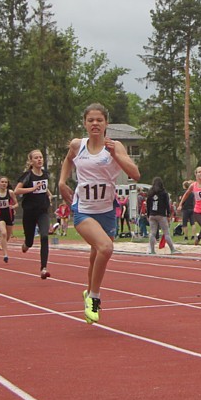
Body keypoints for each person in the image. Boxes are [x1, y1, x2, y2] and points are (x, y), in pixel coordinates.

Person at [59, 103, 140, 324]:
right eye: (90, 120)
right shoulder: (78, 145)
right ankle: (94, 297)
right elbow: (68, 160)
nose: (95, 124)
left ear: (106, 124)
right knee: (106, 247)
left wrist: (116, 155)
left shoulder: (115, 147)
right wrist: (61, 181)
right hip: (83, 210)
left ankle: (88, 291)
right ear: (85, 123)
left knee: (96, 255)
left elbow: (135, 174)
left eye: (99, 120)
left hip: (106, 211)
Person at [14, 149, 54, 279]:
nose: (39, 160)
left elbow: (44, 185)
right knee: (30, 242)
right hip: (30, 212)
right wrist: (32, 189)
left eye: (41, 157)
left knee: (44, 236)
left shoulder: (45, 174)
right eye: (36, 158)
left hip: (42, 211)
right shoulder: (27, 175)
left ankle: (43, 268)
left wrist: (48, 194)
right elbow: (16, 190)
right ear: (31, 161)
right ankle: (26, 245)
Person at [0, 176, 18, 262]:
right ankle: (5, 255)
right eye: (2, 182)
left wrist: (13, 206)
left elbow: (17, 204)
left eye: (6, 182)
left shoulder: (10, 192)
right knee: (3, 233)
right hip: (0, 216)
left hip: (9, 216)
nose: (4, 184)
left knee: (7, 236)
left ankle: (4, 245)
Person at [146, 177, 176, 254]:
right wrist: (168, 214)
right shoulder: (164, 193)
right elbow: (167, 204)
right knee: (166, 232)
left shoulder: (150, 193)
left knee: (152, 233)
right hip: (161, 214)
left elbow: (148, 205)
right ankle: (172, 249)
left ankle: (152, 250)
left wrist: (148, 214)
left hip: (152, 214)